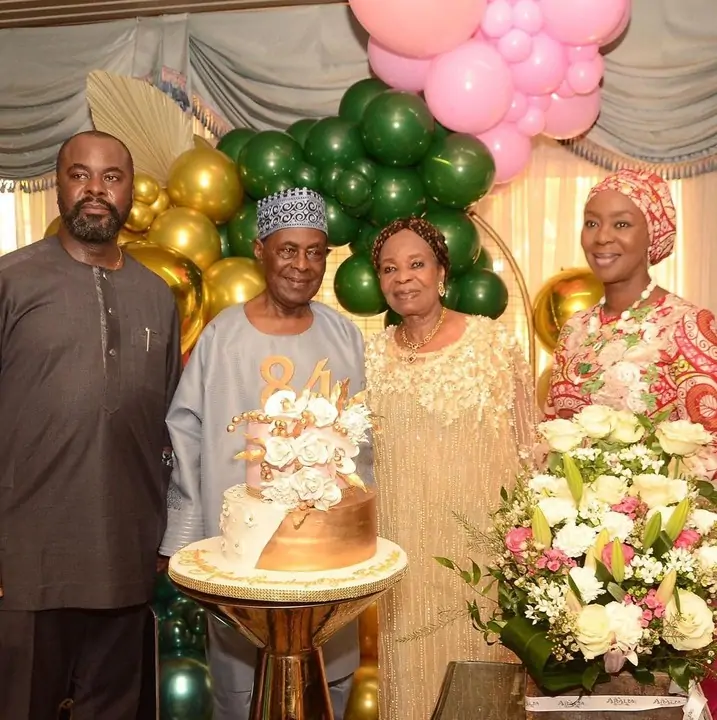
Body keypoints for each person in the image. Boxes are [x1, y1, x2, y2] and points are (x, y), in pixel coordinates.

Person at [159, 187, 365, 720]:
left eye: (315, 251)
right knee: (242, 686)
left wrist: (362, 532)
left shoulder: (345, 336)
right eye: (288, 250)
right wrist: (183, 537)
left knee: (327, 683)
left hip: (327, 558)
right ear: (260, 250)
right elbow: (186, 434)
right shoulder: (222, 336)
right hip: (239, 554)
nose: (302, 265)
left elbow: (363, 446)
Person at [0, 130, 182, 719]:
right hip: (27, 557)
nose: (95, 190)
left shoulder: (157, 296)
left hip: (125, 555)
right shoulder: (11, 280)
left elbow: (167, 428)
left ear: (131, 190)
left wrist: (166, 532)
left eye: (111, 177)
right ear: (57, 185)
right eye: (80, 175)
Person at [365, 217, 537, 719]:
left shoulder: (493, 344)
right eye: (389, 269)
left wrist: (533, 547)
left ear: (441, 272)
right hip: (404, 558)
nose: (403, 277)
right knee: (412, 676)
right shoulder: (370, 356)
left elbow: (530, 449)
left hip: (482, 555)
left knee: (482, 676)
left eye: (416, 264)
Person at [544, 169, 717, 467]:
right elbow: (550, 431)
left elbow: (711, 449)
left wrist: (643, 493)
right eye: (592, 223)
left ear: (652, 235)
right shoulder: (575, 328)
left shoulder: (687, 325)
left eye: (621, 224)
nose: (602, 237)